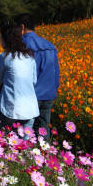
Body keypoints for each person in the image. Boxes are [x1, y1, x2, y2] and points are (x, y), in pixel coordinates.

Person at [14, 13, 60, 141]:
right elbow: (56, 74)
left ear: (22, 28)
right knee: (43, 130)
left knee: (25, 132)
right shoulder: (50, 46)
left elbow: (22, 74)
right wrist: (53, 89)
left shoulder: (23, 46)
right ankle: (44, 155)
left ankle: (24, 158)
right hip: (49, 95)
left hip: (31, 96)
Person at [0, 23, 38, 139]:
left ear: (6, 39)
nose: (0, 40)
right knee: (25, 146)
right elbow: (34, 81)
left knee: (6, 142)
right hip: (30, 108)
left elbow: (0, 77)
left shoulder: (4, 57)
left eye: (1, 37)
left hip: (11, 108)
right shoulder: (30, 57)